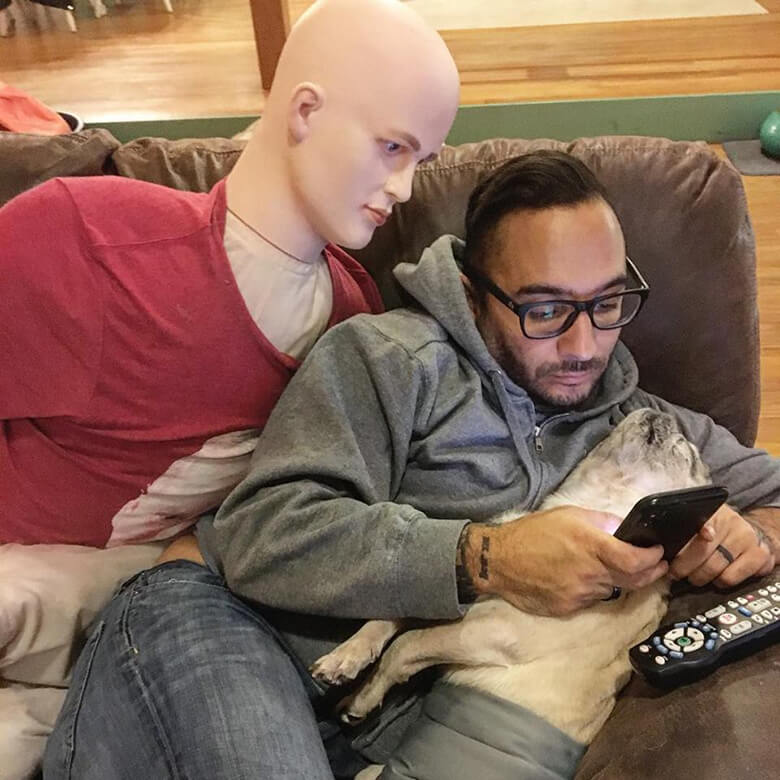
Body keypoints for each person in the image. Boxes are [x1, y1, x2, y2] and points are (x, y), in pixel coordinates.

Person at [45, 152, 779, 778]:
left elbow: (773, 495)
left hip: (396, 712)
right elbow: (258, 534)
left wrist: (750, 537)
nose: (584, 345)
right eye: (545, 310)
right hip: (229, 619)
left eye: (608, 302)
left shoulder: (644, 429)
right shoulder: (391, 360)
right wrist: (486, 557)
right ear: (471, 292)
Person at [0, 0, 458, 548]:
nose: (403, 189)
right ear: (306, 111)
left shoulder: (354, 320)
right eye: (392, 147)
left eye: (420, 163)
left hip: (179, 585)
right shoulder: (85, 238)